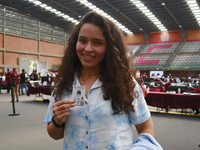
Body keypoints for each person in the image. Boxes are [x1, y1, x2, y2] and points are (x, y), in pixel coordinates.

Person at [44, 11, 162, 150]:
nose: (88, 48)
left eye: (97, 43)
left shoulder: (124, 83)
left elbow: (146, 127)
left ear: (109, 48)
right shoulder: (64, 84)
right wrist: (57, 121)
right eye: (82, 40)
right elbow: (54, 134)